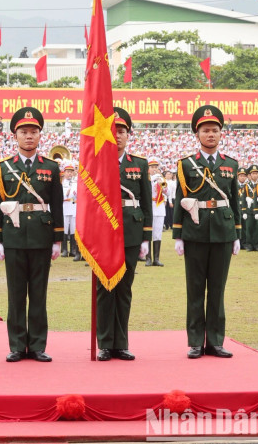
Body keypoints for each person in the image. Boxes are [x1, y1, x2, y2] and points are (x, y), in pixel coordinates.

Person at [0, 106, 63, 363]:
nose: (29, 136)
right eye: (24, 132)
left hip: (42, 236)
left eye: (33, 131)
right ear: (15, 135)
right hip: (14, 236)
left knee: (39, 295)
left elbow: (57, 205)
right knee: (16, 295)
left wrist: (57, 239)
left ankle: (38, 345)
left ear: (40, 135)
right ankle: (17, 346)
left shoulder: (51, 168)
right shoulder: (3, 168)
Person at [173, 105, 240, 359]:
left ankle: (215, 341)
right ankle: (194, 342)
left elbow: (234, 202)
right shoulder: (186, 164)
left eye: (215, 130)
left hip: (223, 232)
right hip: (195, 232)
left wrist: (237, 234)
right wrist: (178, 235)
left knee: (217, 290)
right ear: (197, 134)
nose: (210, 134)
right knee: (195, 289)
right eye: (205, 130)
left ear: (221, 133)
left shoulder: (230, 164)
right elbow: (180, 199)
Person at [96, 107, 152, 361]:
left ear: (128, 135)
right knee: (104, 288)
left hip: (130, 230)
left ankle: (121, 343)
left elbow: (146, 203)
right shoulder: (96, 162)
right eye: (113, 131)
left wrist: (145, 237)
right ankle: (105, 343)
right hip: (103, 233)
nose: (117, 135)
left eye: (122, 131)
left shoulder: (139, 164)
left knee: (124, 288)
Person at [146, 159, 166, 267]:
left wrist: (161, 182)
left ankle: (156, 259)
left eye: (155, 167)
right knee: (148, 233)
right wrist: (154, 178)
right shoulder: (147, 178)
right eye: (152, 167)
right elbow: (146, 188)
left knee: (157, 234)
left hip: (159, 207)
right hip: (149, 207)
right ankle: (148, 258)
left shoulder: (161, 178)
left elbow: (167, 191)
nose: (154, 169)